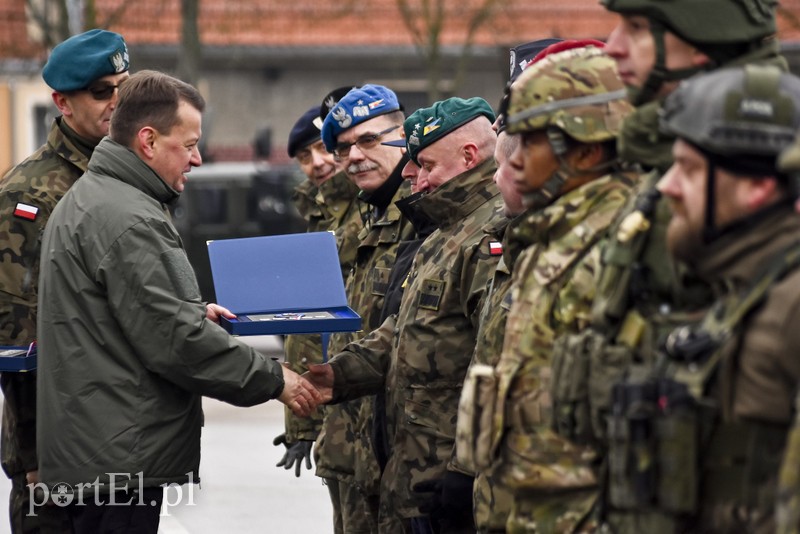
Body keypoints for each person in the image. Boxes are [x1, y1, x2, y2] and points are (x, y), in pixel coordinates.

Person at [35, 70, 320, 534]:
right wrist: (275, 379)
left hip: (96, 452)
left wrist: (189, 310)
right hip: (118, 461)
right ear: (148, 141)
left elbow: (119, 318)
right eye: (188, 145)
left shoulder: (99, 198)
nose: (198, 158)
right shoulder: (128, 217)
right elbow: (175, 340)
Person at [544, 0, 787, 530]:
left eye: (636, 28)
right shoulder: (671, 156)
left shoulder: (760, 155)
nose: (612, 46)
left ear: (698, 38)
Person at [309, 95, 501, 533]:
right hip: (411, 472)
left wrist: (465, 470)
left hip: (445, 479)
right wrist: (337, 376)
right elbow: (403, 334)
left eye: (425, 163)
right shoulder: (445, 233)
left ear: (468, 156)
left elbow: (493, 367)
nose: (410, 174)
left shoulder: (490, 233)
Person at [622, 64, 800, 533]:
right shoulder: (744, 288)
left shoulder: (789, 307)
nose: (666, 187)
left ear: (758, 185)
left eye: (690, 169)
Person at [481, 45, 637, 532]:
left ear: (588, 151)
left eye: (531, 144)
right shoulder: (548, 242)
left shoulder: (627, 249)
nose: (513, 161)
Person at [0, 29, 130, 533]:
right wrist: (37, 454)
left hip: (124, 436)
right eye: (101, 91)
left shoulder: (129, 175)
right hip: (58, 454)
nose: (118, 101)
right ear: (62, 102)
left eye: (124, 86)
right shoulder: (28, 195)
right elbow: (17, 343)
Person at [316, 84, 416, 533]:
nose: (354, 156)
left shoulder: (423, 211)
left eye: (369, 140)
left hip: (404, 451)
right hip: (354, 446)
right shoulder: (366, 215)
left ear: (403, 134)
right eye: (343, 148)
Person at [275, 101, 363, 478]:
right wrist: (303, 424)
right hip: (334, 403)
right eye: (304, 157)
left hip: (363, 395)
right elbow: (307, 325)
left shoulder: (371, 207)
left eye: (323, 148)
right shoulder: (322, 215)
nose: (318, 163)